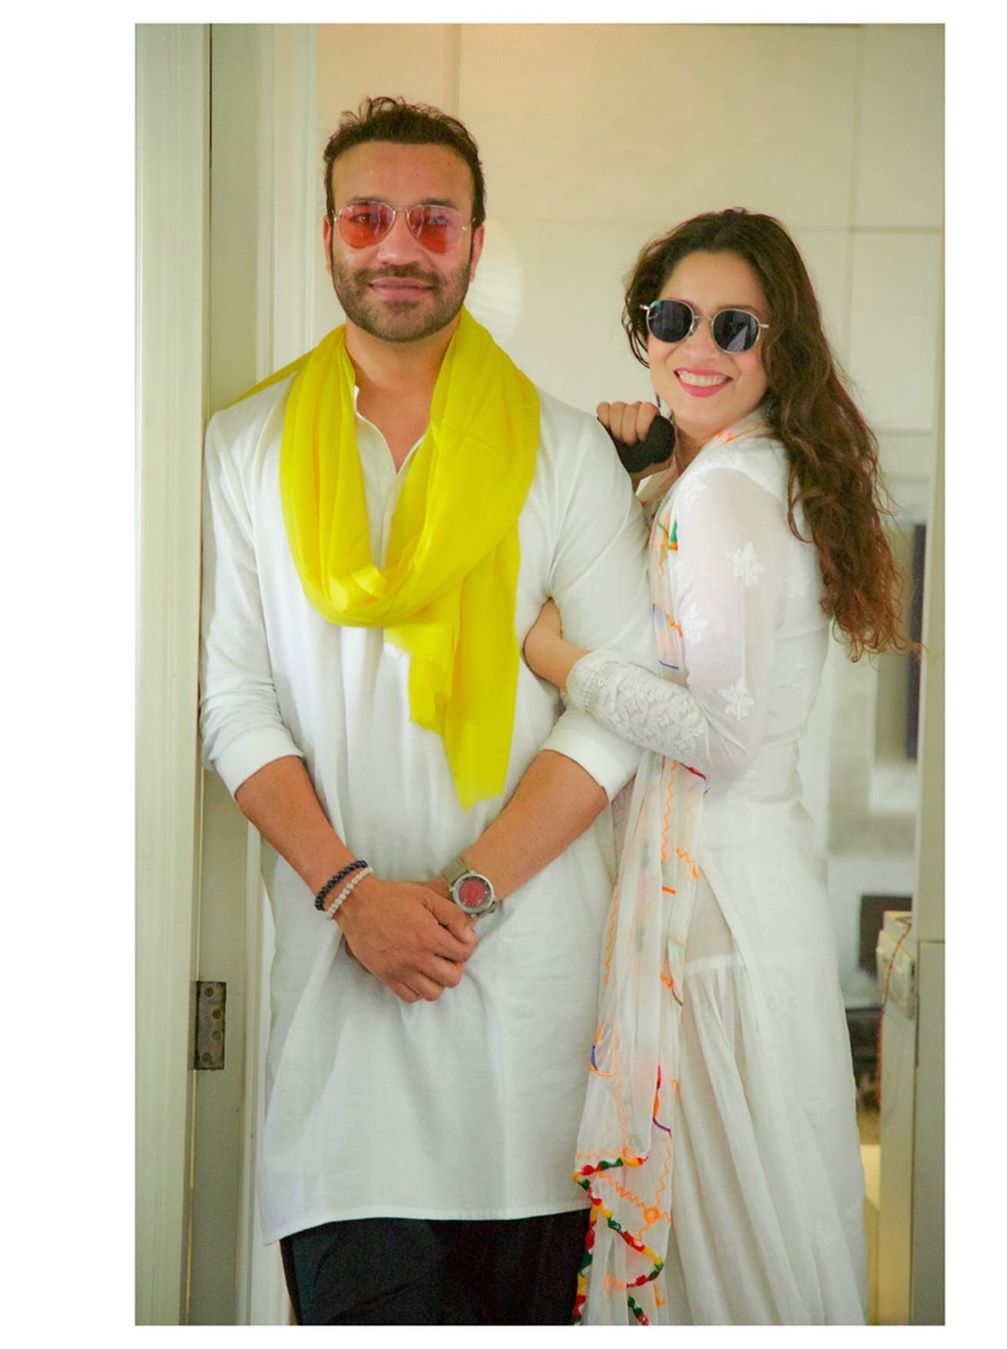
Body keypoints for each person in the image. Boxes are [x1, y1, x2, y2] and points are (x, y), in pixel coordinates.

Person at [198, 96, 656, 1325]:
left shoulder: (564, 452)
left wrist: (462, 896)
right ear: (327, 234)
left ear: (474, 240)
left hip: (530, 1037)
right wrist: (353, 893)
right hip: (337, 1037)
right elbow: (235, 699)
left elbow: (618, 706)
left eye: (433, 220)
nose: (399, 244)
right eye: (368, 215)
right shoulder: (244, 447)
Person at [524, 209, 908, 1325]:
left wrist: (561, 659)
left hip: (717, 916)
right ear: (644, 330)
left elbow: (721, 735)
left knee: (727, 1262)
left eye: (736, 326)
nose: (700, 346)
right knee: (753, 1245)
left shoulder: (728, 491)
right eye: (675, 318)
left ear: (780, 349)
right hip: (738, 900)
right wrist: (644, 474)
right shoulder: (731, 473)